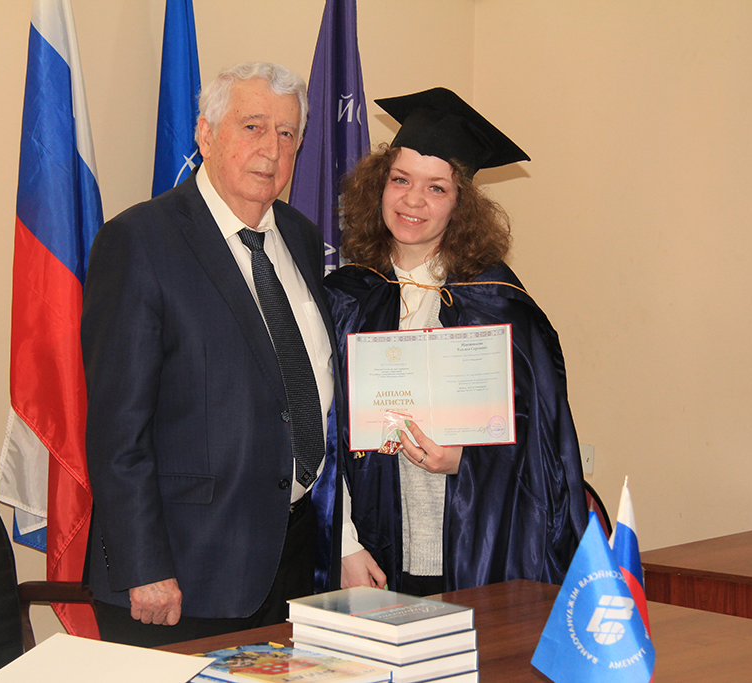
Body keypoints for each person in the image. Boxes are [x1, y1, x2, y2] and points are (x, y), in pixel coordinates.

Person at [80, 62, 344, 646]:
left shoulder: (300, 238)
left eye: (287, 133)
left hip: (291, 564)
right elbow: (118, 429)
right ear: (205, 134)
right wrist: (143, 564)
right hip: (181, 575)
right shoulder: (139, 241)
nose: (272, 149)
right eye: (253, 126)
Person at [326, 88, 588, 596]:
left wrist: (466, 460)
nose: (413, 200)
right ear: (378, 186)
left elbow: (544, 446)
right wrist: (344, 545)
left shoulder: (496, 304)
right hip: (368, 555)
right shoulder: (345, 297)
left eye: (437, 188)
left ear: (460, 204)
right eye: (400, 179)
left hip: (471, 553)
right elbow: (319, 430)